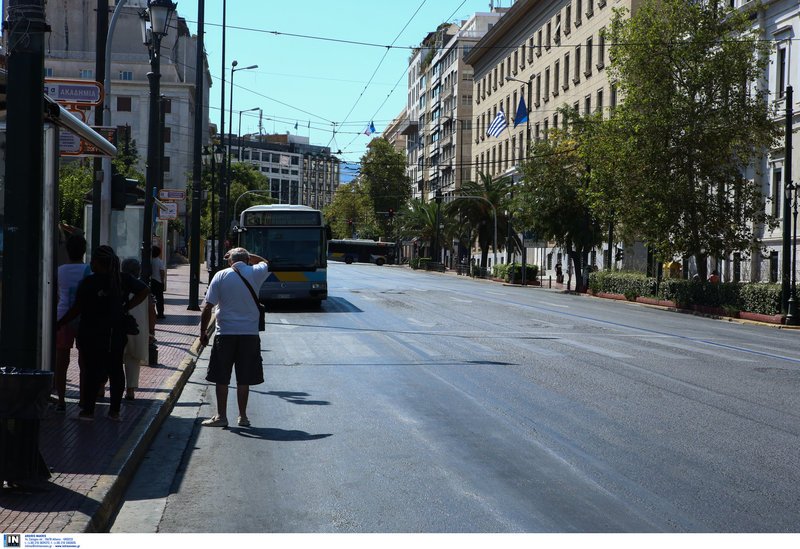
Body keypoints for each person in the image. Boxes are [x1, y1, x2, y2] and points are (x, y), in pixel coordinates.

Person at [57, 246, 149, 421]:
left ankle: (88, 411)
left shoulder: (90, 282)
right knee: (115, 370)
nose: (91, 263)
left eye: (93, 261)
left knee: (92, 371)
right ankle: (114, 412)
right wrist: (126, 307)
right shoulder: (124, 279)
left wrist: (61, 322)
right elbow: (144, 290)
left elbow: (77, 308)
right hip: (116, 333)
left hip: (92, 333)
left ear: (99, 263)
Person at [199, 247, 269, 428]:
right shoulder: (256, 272)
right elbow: (266, 263)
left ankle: (221, 416)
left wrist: (203, 333)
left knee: (222, 377)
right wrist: (249, 256)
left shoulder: (220, 275)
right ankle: (243, 417)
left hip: (225, 333)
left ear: (229, 260)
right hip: (250, 335)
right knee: (243, 378)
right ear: (247, 259)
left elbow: (208, 307)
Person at [54, 234, 91, 413]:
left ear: (67, 250)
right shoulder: (89, 270)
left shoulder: (59, 271)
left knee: (61, 361)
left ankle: (61, 400)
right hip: (83, 319)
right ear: (84, 251)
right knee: (84, 362)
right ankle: (83, 400)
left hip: (62, 319)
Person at [120, 258, 152, 401]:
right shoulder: (142, 288)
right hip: (137, 329)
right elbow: (152, 311)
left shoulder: (118, 285)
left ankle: (102, 387)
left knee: (113, 358)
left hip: (120, 328)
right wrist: (151, 331)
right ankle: (130, 391)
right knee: (132, 359)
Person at [150, 246, 166, 319]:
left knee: (151, 298)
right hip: (158, 282)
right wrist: (162, 282)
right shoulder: (159, 261)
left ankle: (151, 312)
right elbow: (162, 272)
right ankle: (160, 314)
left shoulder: (150, 261)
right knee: (159, 299)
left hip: (151, 281)